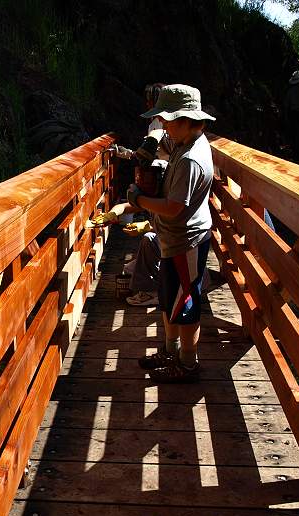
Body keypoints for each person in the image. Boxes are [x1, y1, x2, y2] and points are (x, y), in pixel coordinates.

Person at [125, 83, 215, 383]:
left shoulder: (190, 158)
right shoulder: (185, 142)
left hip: (186, 241)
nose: (163, 125)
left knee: (185, 304)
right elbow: (160, 142)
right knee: (169, 299)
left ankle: (187, 363)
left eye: (168, 119)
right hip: (173, 239)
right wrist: (151, 143)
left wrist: (138, 200)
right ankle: (170, 350)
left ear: (187, 120)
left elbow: (174, 207)